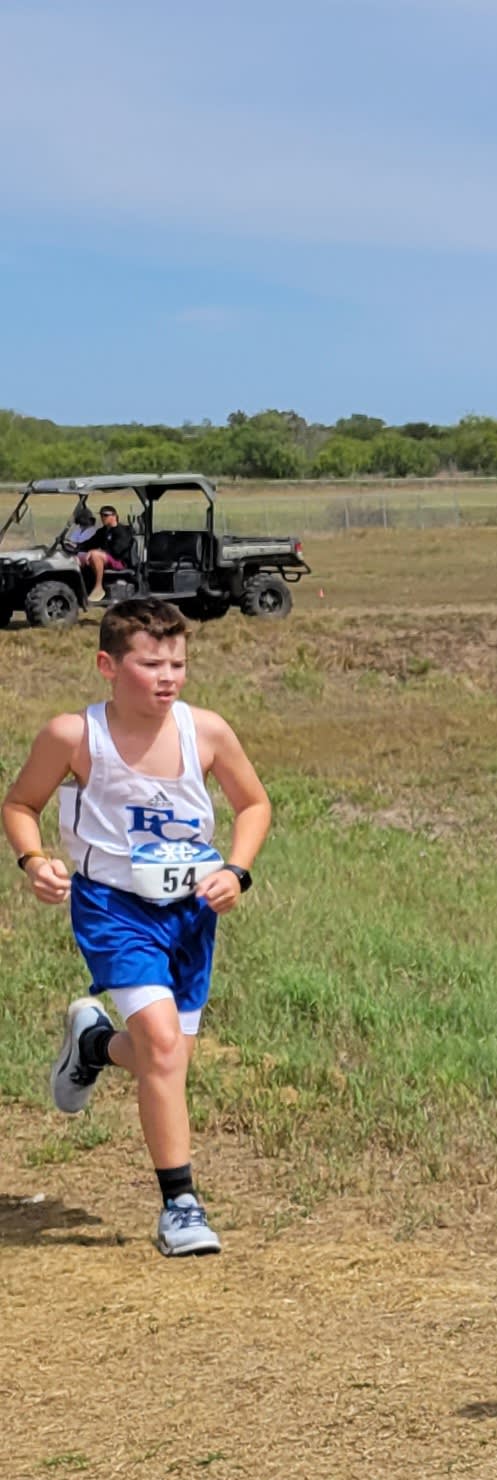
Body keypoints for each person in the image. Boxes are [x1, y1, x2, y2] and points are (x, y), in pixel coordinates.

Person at [3, 598, 272, 1257]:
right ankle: (181, 1205)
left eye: (178, 663)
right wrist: (35, 861)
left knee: (167, 1056)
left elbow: (254, 804)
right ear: (108, 665)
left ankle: (94, 1046)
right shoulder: (74, 736)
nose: (167, 676)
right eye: (151, 664)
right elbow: (20, 804)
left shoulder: (206, 731)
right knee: (160, 1043)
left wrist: (236, 872)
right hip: (113, 908)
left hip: (191, 912)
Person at [78, 505, 134, 604]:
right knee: (78, 558)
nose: (102, 518)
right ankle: (79, 587)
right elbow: (89, 544)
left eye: (105, 515)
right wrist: (75, 546)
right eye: (101, 515)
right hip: (106, 559)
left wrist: (94, 552)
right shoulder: (102, 531)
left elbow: (116, 551)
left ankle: (98, 587)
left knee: (95, 555)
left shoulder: (122, 531)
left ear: (114, 516)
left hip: (119, 561)